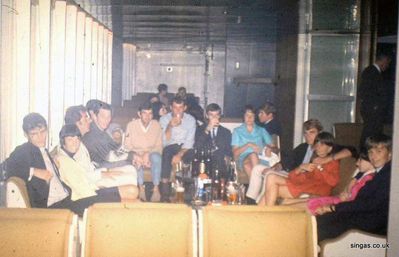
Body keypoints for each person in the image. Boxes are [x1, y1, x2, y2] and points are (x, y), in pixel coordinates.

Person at [246, 119, 355, 204]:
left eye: (312, 132)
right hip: (295, 174)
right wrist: (276, 167)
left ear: (320, 133)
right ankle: (250, 199)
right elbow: (287, 160)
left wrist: (327, 159)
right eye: (306, 133)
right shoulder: (303, 147)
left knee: (270, 176)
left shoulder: (327, 147)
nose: (308, 136)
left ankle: (258, 204)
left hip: (305, 181)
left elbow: (352, 150)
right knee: (258, 168)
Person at [4, 113, 94, 216]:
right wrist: (34, 171)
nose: (40, 137)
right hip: (53, 207)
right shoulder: (23, 150)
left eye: (42, 132)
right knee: (103, 202)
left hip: (67, 199)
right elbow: (4, 169)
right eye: (34, 134)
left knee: (106, 198)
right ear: (26, 135)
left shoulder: (44, 151)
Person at [317, 134, 392, 242]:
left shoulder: (389, 176)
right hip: (360, 214)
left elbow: (369, 204)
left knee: (321, 228)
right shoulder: (382, 170)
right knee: (317, 221)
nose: (373, 156)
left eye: (379, 152)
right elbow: (362, 176)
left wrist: (333, 208)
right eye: (371, 152)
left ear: (390, 154)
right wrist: (355, 178)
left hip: (373, 223)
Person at [64, 105, 138, 192]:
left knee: (131, 169)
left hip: (95, 173)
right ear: (78, 123)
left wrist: (106, 171)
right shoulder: (73, 144)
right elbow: (81, 177)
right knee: (130, 178)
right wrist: (103, 173)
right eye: (86, 118)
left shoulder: (81, 138)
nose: (90, 120)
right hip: (91, 182)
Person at [56, 124, 137, 203]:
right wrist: (101, 185)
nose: (75, 143)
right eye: (70, 139)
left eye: (77, 139)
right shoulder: (63, 161)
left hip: (92, 182)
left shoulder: (74, 152)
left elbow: (85, 173)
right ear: (63, 141)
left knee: (131, 172)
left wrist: (105, 172)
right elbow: (81, 189)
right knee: (131, 186)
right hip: (90, 191)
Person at [258, 132, 340, 206]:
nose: (318, 147)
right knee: (271, 177)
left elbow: (333, 182)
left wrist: (320, 167)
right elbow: (293, 176)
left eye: (322, 145)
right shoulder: (314, 159)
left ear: (329, 148)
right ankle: (258, 215)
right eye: (317, 144)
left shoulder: (333, 162)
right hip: (303, 184)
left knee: (270, 191)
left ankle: (265, 215)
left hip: (316, 190)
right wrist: (300, 167)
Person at [307, 150, 375, 215]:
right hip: (338, 200)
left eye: (360, 160)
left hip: (342, 207)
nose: (357, 163)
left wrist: (344, 200)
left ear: (371, 161)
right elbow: (348, 191)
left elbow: (357, 203)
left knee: (311, 204)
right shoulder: (362, 174)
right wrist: (345, 192)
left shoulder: (369, 179)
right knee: (311, 199)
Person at [159, 96, 196, 202]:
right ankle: (165, 194)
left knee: (191, 155)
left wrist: (179, 154)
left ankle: (186, 192)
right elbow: (164, 141)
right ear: (171, 107)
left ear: (185, 108)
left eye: (180, 107)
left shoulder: (191, 120)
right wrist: (170, 126)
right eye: (175, 107)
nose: (178, 110)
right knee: (166, 153)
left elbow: (189, 142)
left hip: (185, 147)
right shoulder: (164, 119)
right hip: (170, 146)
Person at [124, 102, 163, 202]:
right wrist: (138, 155)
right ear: (139, 114)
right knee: (137, 161)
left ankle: (156, 188)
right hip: (136, 153)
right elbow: (127, 146)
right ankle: (141, 188)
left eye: (150, 113)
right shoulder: (131, 125)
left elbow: (159, 146)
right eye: (144, 113)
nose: (147, 116)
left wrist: (147, 154)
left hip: (151, 153)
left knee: (157, 158)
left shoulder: (156, 125)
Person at [358, 53, 391, 149]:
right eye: (387, 63)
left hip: (371, 108)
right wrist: (375, 105)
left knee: (371, 131)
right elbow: (365, 91)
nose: (387, 66)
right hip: (372, 109)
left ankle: (367, 151)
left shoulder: (371, 71)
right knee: (371, 132)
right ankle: (365, 151)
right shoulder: (372, 72)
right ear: (382, 61)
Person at [231, 105, 272, 178]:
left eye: (252, 115)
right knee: (252, 155)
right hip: (243, 158)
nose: (249, 118)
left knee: (247, 166)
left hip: (260, 159)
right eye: (247, 115)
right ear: (243, 116)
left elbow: (274, 147)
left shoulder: (261, 130)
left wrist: (269, 149)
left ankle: (257, 188)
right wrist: (248, 145)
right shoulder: (237, 131)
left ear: (255, 117)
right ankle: (261, 182)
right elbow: (235, 154)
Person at [194, 103, 232, 179]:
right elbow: (197, 147)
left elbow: (229, 151)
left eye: (216, 115)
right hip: (204, 160)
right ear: (207, 116)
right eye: (211, 115)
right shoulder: (200, 130)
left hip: (220, 162)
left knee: (220, 159)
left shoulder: (226, 132)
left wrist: (228, 157)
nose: (214, 117)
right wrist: (207, 129)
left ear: (219, 116)